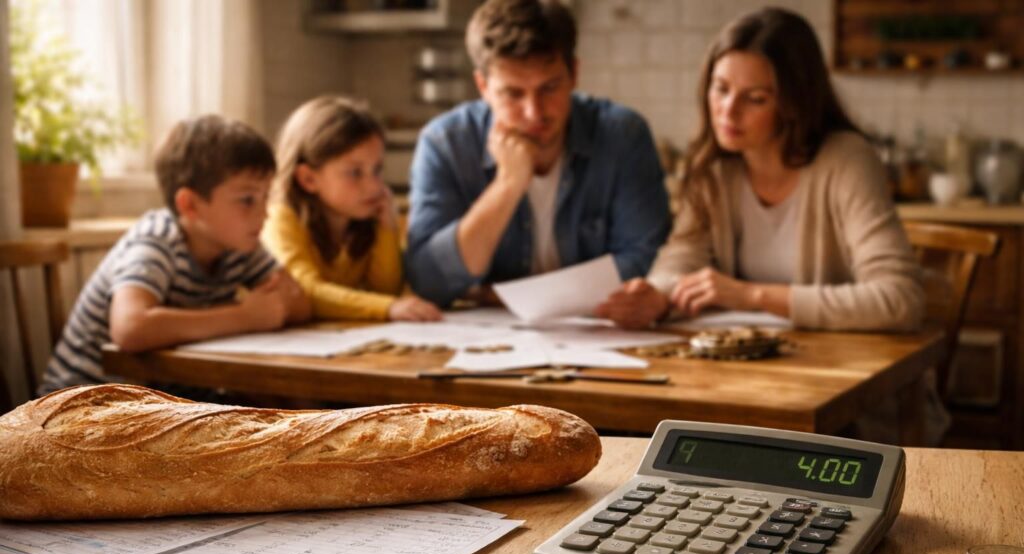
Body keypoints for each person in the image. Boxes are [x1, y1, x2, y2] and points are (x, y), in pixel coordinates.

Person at [597, 7, 925, 334]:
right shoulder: (713, 169)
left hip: (842, 368)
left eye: (755, 99)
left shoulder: (846, 160)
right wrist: (658, 296)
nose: (728, 111)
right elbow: (680, 260)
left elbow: (899, 300)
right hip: (757, 369)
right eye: (721, 89)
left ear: (794, 103)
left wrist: (751, 295)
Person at [405, 0, 671, 308]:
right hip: (486, 341)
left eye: (549, 88)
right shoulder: (444, 143)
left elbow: (646, 260)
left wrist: (502, 295)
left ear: (574, 73)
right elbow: (428, 281)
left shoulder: (623, 135)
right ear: (483, 86)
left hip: (599, 333)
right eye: (513, 93)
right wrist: (508, 184)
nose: (534, 112)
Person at [39, 115, 311, 395]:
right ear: (190, 205)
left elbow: (299, 301)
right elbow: (131, 328)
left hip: (157, 405)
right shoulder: (156, 241)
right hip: (82, 408)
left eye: (266, 197)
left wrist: (273, 308)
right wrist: (244, 316)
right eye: (247, 200)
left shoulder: (239, 245)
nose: (264, 213)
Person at [263, 96, 441, 321]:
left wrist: (387, 228)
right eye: (355, 173)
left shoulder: (363, 218)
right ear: (308, 179)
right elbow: (305, 291)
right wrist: (388, 308)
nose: (374, 186)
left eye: (377, 170)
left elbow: (385, 289)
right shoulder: (280, 218)